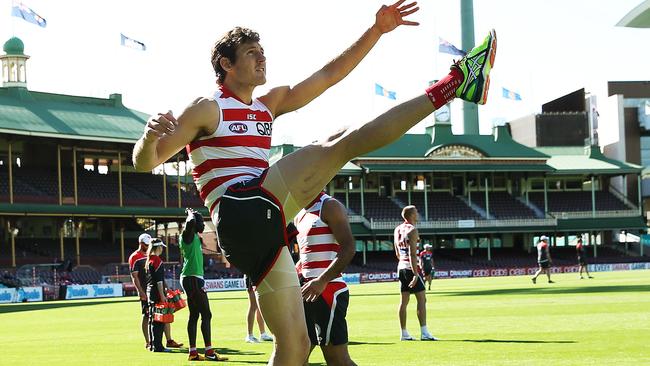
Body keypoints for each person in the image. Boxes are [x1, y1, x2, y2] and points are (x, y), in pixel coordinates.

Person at [132, 1, 496, 361]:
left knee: (295, 346)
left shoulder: (267, 105)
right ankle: (457, 83)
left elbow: (328, 75)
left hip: (262, 235)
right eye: (251, 53)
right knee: (340, 142)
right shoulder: (208, 107)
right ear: (226, 65)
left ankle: (460, 83)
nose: (262, 59)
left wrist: (376, 31)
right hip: (241, 208)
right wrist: (149, 137)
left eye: (263, 51)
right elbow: (146, 162)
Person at [294, 192, 357, 365]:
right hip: (305, 290)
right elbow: (307, 256)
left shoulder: (329, 206)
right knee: (298, 355)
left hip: (329, 290)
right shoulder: (300, 213)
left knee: (337, 359)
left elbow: (349, 247)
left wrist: (322, 280)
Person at [180, 209, 228, 361]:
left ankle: (193, 353)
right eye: (200, 222)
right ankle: (209, 352)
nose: (202, 225)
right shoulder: (187, 235)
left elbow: (192, 224)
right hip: (192, 278)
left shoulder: (193, 236)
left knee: (195, 315)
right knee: (206, 314)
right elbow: (190, 223)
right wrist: (190, 215)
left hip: (193, 278)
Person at [129, 233, 182, 350]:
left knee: (159, 316)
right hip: (152, 291)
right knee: (152, 317)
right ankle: (151, 343)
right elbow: (137, 277)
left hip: (150, 290)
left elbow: (159, 278)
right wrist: (141, 292)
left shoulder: (149, 259)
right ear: (141, 243)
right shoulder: (143, 258)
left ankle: (163, 341)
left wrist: (166, 287)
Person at [394, 205, 436, 341]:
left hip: (401, 267)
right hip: (411, 268)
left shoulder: (397, 229)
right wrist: (415, 273)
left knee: (403, 301)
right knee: (422, 299)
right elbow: (413, 254)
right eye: (416, 212)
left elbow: (397, 252)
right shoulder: (413, 230)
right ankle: (424, 333)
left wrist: (404, 264)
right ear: (412, 215)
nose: (418, 214)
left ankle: (404, 333)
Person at [145, 238, 169, 352]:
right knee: (159, 321)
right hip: (156, 293)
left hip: (149, 292)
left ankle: (152, 345)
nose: (162, 249)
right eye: (162, 247)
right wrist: (162, 295)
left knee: (151, 319)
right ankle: (158, 346)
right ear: (158, 247)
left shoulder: (149, 260)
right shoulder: (158, 261)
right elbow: (159, 281)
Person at [244, 274, 274, 343]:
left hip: (258, 276)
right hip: (251, 276)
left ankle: (263, 334)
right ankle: (249, 335)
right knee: (253, 305)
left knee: (259, 305)